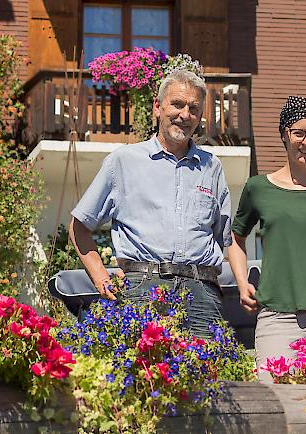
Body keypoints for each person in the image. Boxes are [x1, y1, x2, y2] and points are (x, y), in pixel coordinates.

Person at [69, 70, 232, 338]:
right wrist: (101, 277)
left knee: (207, 376)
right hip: (142, 289)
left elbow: (224, 239)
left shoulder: (212, 167)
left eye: (193, 108)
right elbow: (78, 226)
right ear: (158, 107)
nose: (185, 115)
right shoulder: (123, 162)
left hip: (202, 292)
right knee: (146, 377)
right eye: (177, 104)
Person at [228, 96, 306, 381]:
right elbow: (236, 239)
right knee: (275, 403)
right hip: (276, 316)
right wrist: (241, 283)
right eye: (298, 133)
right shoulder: (258, 187)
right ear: (285, 135)